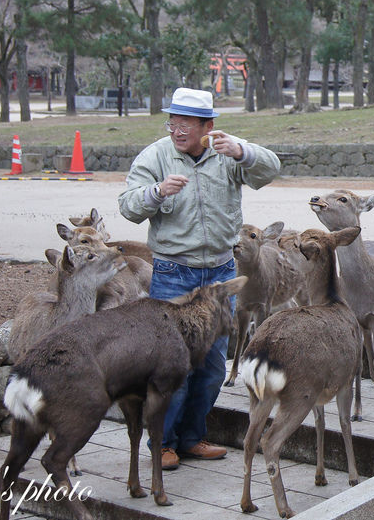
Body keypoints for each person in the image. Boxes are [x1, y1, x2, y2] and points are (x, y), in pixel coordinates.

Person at [118, 87, 280, 470]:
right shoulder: (156, 156)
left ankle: (192, 438)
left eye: (185, 123)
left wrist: (243, 151)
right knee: (172, 366)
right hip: (174, 275)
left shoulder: (228, 153)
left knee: (211, 367)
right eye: (172, 122)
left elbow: (271, 168)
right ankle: (163, 443)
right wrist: (156, 192)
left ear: (208, 126)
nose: (176, 130)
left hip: (222, 276)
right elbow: (127, 206)